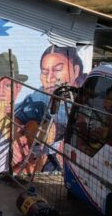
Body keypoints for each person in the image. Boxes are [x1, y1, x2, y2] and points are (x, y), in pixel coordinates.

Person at [13, 45, 85, 173]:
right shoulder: (40, 96)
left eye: (58, 69)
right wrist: (18, 137)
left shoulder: (87, 95)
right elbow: (17, 118)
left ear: (75, 70)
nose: (49, 78)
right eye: (44, 72)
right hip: (48, 157)